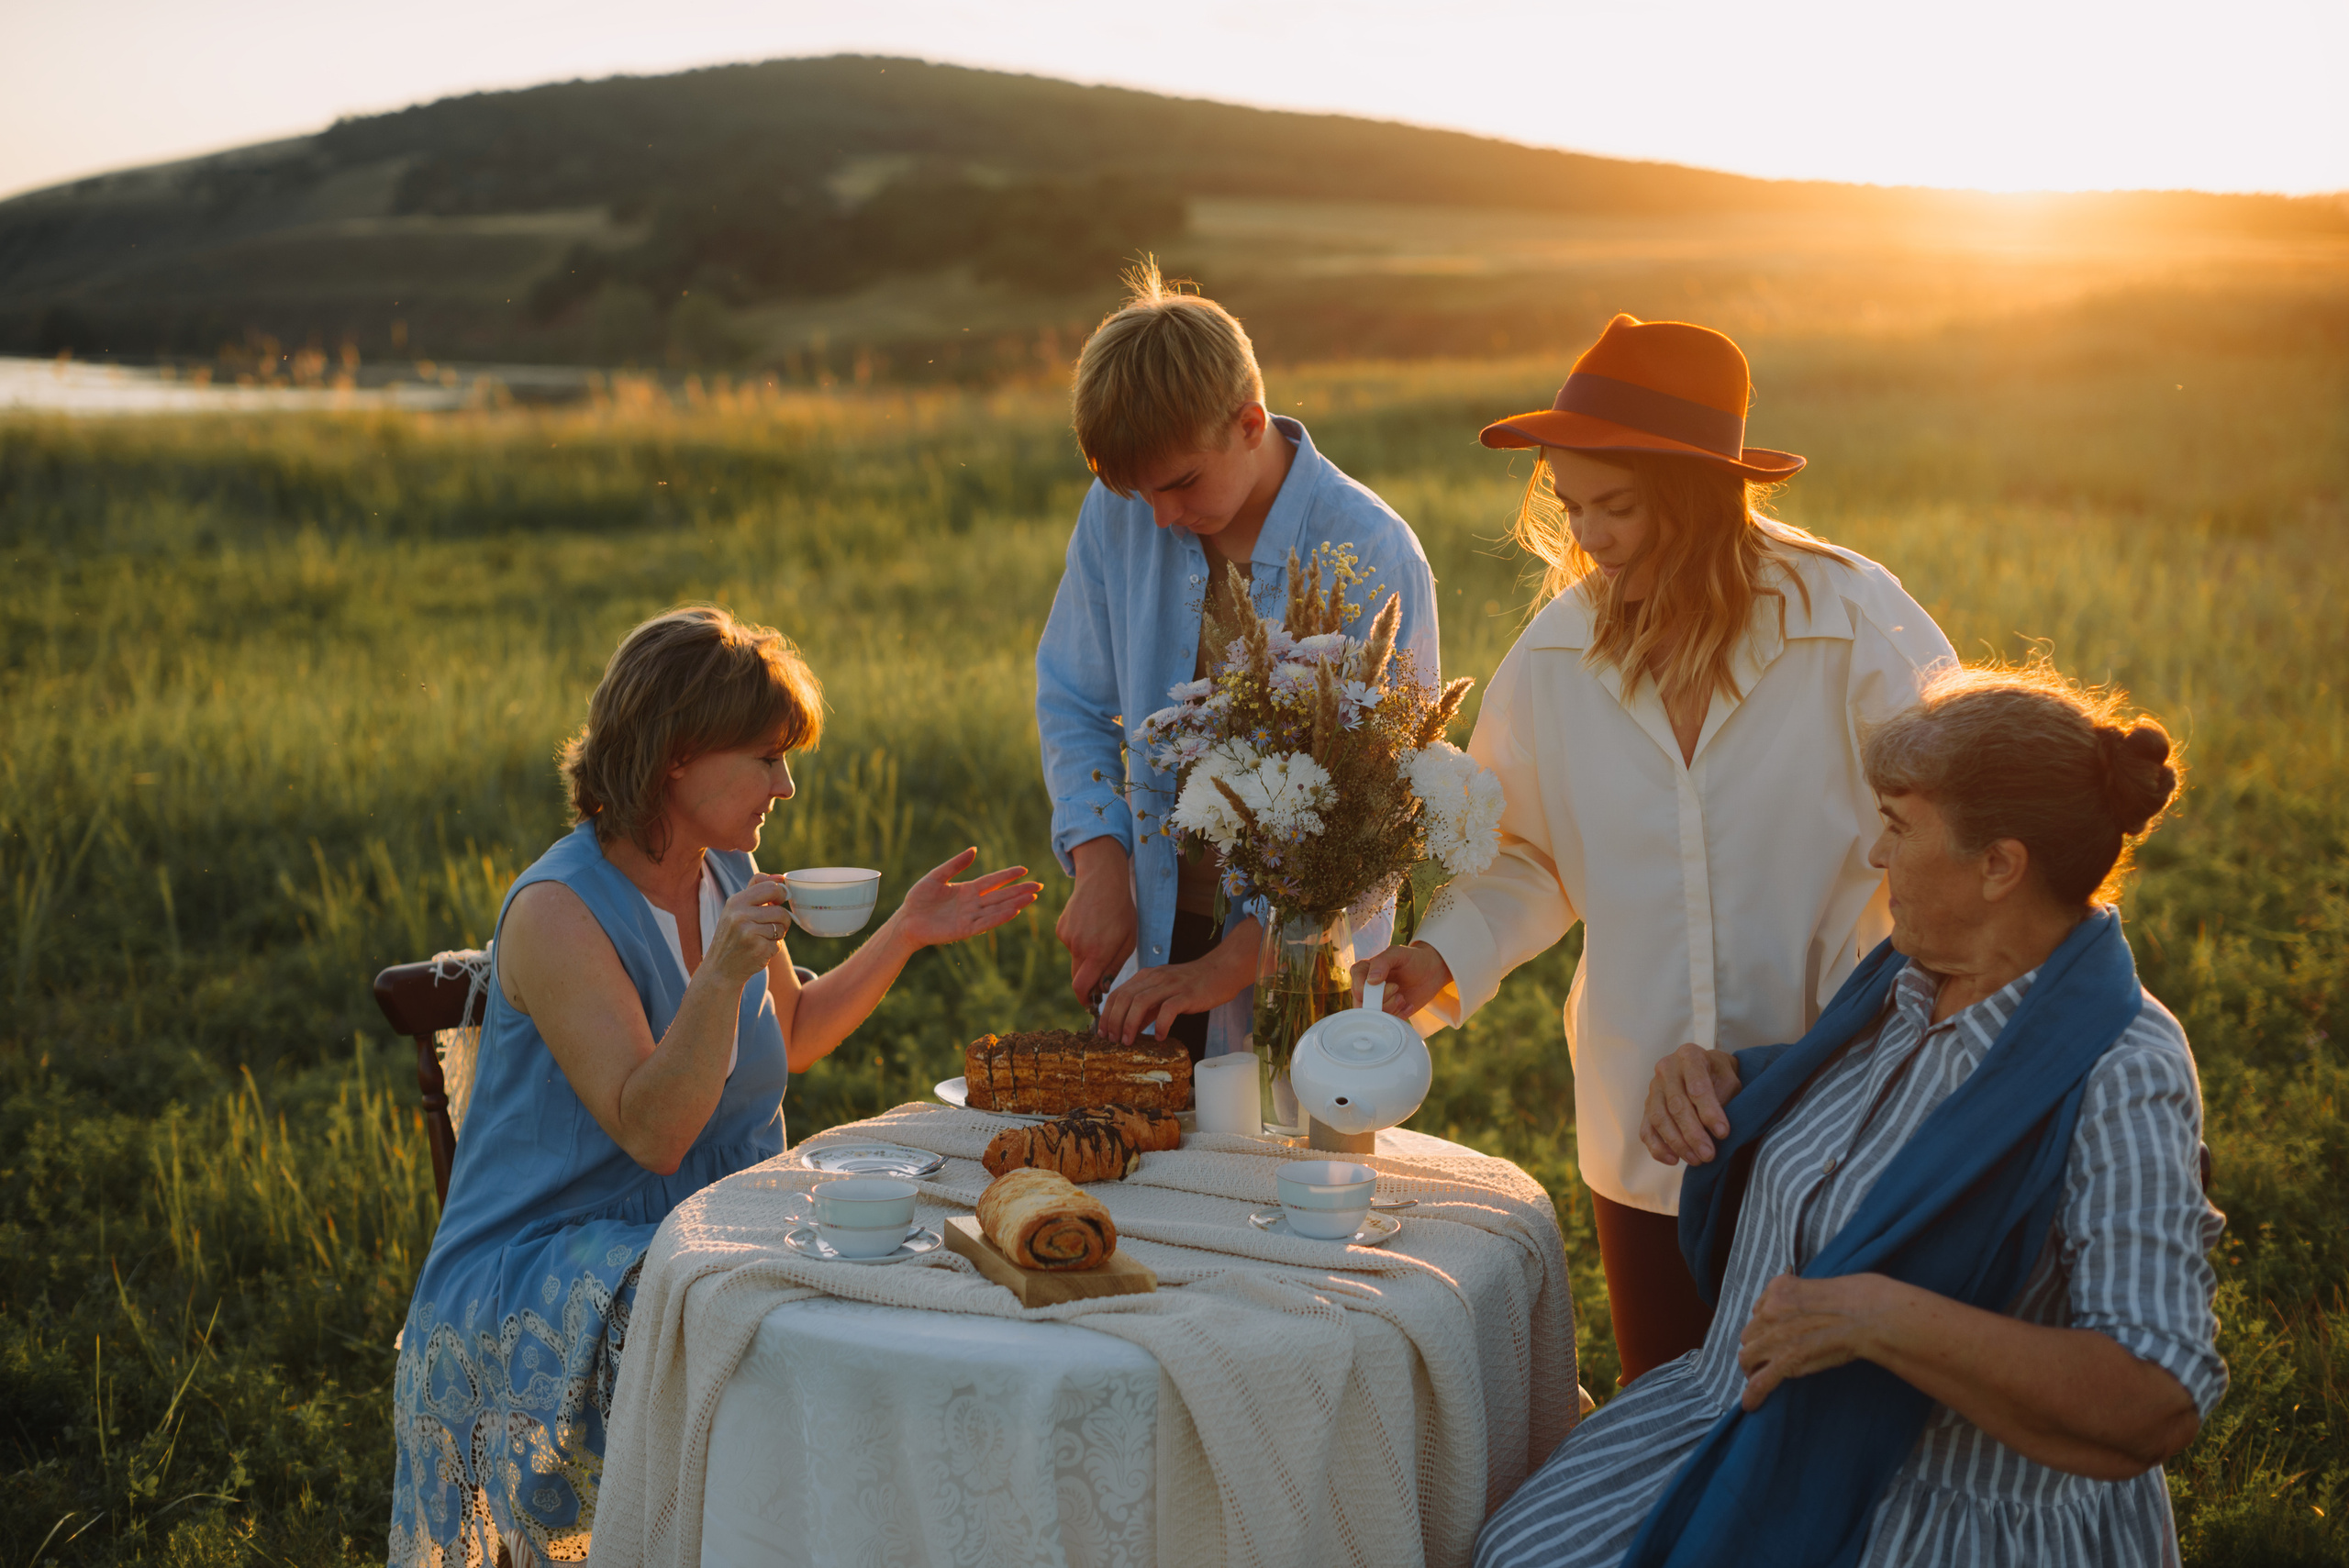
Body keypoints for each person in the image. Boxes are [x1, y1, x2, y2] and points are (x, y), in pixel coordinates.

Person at [1474, 662, 2224, 1567]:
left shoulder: (2119, 1066)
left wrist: (1881, 1315)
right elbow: (1874, 1129)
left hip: (1935, 1504)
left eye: (1900, 828)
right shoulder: (1906, 982)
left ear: (1999, 865)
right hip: (1731, 1421)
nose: (1877, 854)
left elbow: (2153, 1392)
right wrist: (1731, 1079)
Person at [1354, 314, 1955, 1381]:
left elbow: (1957, 835)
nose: (1587, 535)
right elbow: (1523, 855)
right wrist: (1440, 956)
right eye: (1571, 503)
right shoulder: (1554, 654)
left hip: (1842, 1108)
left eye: (1616, 504)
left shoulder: (1854, 624)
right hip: (1642, 1133)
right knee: (1667, 1417)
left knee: (1828, 1430)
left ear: (1696, 493)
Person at [388, 606, 1039, 1568]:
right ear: (677, 757)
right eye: (766, 757)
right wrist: (722, 971)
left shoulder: (724, 866)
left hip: (706, 1235)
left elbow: (800, 1031)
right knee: (801, 1339)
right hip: (552, 1261)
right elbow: (654, 1129)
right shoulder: (557, 913)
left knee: (917, 1259)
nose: (786, 783)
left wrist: (904, 931)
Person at [1038, 261, 1438, 1055]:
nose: (1157, 519)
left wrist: (1230, 963)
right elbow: (1075, 697)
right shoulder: (1124, 507)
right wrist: (1098, 860)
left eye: (1180, 484)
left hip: (1303, 978)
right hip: (1153, 932)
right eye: (1137, 494)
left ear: (1250, 424)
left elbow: (1375, 809)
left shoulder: (1372, 553)